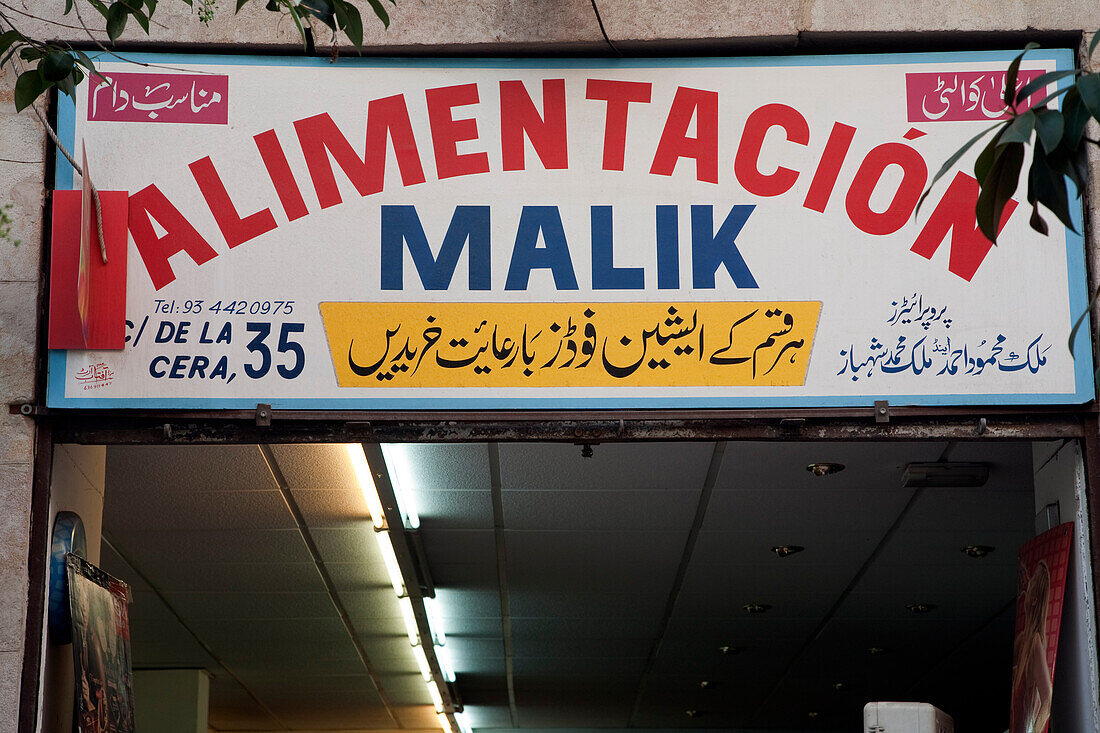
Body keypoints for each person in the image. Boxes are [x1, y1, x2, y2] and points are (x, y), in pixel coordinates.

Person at [1010, 560, 1052, 733]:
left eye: (1032, 582)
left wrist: (1035, 731)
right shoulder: (1022, 640)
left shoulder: (1034, 642)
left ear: (1034, 600)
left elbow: (1047, 697)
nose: (1027, 588)